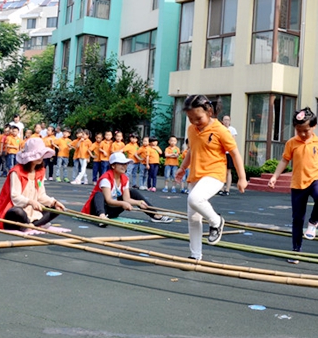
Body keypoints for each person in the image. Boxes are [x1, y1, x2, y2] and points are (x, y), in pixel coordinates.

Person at [175, 95, 247, 261]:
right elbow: (192, 150)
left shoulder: (220, 130)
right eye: (190, 119)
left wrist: (242, 178)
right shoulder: (192, 129)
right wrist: (182, 168)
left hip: (214, 174)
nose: (195, 122)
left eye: (198, 118)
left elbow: (235, 153)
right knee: (193, 217)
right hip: (195, 175)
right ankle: (195, 255)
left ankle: (217, 221)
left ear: (209, 112)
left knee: (195, 199)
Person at [268, 107, 318, 263]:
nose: (303, 134)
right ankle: (296, 250)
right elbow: (284, 160)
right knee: (297, 218)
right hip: (297, 183)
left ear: (314, 127)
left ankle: (313, 222)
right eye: (299, 131)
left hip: (315, 179)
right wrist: (275, 176)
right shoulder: (292, 143)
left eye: (306, 131)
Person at [80, 152, 173, 225]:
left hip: (111, 211)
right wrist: (123, 203)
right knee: (98, 194)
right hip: (97, 210)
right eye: (121, 164)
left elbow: (127, 198)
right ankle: (101, 217)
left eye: (125, 164)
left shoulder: (124, 178)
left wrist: (138, 202)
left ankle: (155, 215)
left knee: (133, 192)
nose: (124, 166)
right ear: (113, 166)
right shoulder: (106, 178)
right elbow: (108, 200)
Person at [0, 138, 65, 230]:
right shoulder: (17, 171)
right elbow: (15, 196)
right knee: (17, 212)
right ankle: (29, 224)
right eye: (37, 155)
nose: (40, 157)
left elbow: (41, 195)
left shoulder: (40, 171)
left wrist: (53, 202)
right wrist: (30, 202)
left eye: (41, 154)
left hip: (32, 212)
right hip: (16, 209)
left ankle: (29, 225)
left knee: (57, 209)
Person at [220, 115, 239, 196]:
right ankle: (221, 188)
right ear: (222, 121)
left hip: (229, 153)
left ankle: (227, 189)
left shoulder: (232, 130)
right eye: (225, 120)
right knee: (221, 171)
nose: (226, 121)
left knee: (228, 171)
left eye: (228, 120)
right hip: (221, 153)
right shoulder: (220, 129)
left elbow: (233, 141)